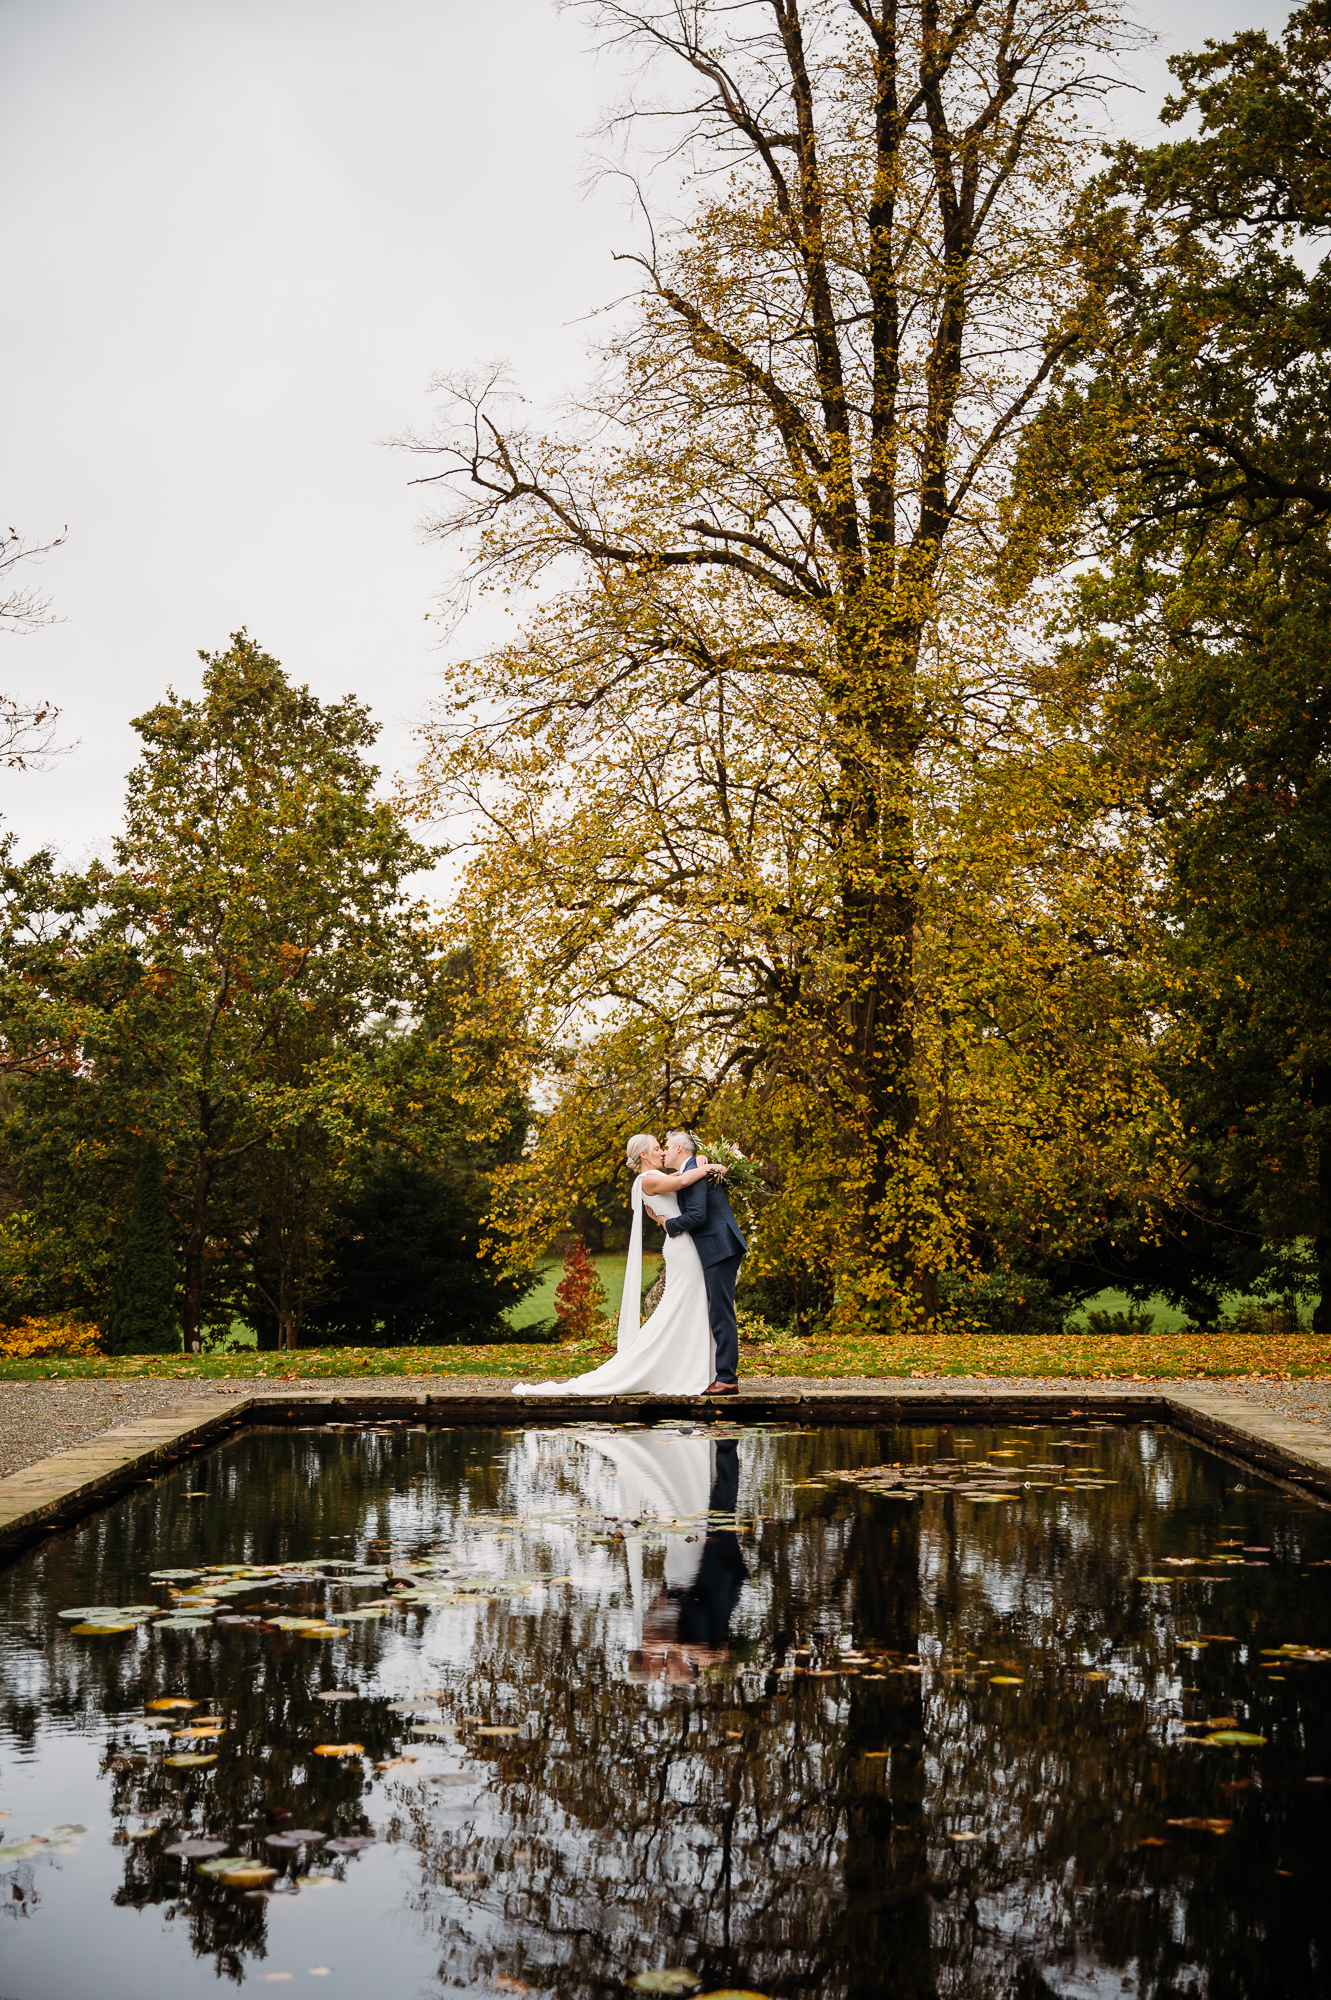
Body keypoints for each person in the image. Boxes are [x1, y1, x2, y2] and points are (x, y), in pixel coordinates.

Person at [510, 1133, 726, 1397]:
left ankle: (690, 1367)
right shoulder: (648, 1179)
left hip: (684, 1244)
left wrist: (697, 1162)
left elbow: (684, 1180)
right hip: (683, 1247)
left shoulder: (652, 1179)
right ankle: (671, 1368)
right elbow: (683, 1179)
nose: (661, 1152)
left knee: (685, 1307)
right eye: (657, 1148)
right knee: (680, 1307)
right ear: (644, 1155)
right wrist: (708, 1167)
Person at [645, 1129, 747, 1397]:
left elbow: (697, 1216)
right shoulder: (694, 1168)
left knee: (721, 1312)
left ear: (680, 1148)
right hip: (719, 1245)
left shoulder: (696, 1171)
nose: (664, 1151)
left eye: (666, 1146)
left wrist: (668, 1224)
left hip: (720, 1247)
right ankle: (721, 1374)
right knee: (718, 1311)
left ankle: (727, 1378)